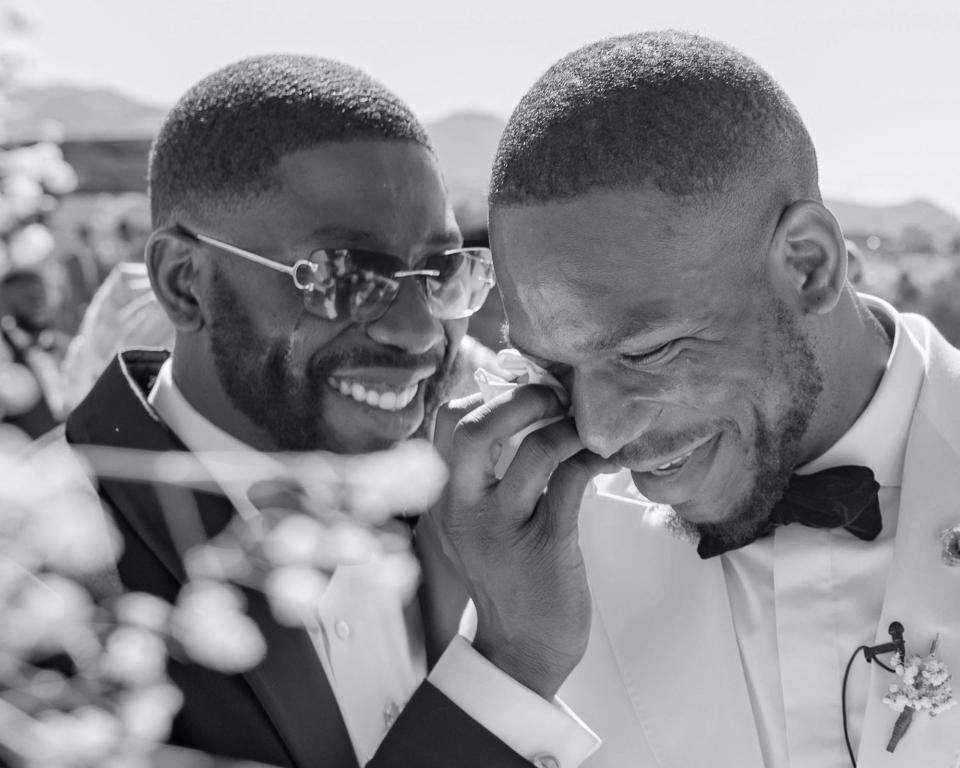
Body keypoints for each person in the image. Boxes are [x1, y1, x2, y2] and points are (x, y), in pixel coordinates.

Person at [434, 31, 960, 767]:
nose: (604, 434)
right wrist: (506, 663)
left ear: (808, 266)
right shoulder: (548, 569)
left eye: (644, 351)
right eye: (553, 368)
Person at [36, 55, 577, 768]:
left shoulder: (474, 523)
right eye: (347, 277)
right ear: (185, 282)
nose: (419, 333)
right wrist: (512, 671)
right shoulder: (43, 582)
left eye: (443, 275)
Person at [0, 268, 68, 437]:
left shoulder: (66, 345)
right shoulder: (4, 356)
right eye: (26, 299)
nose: (37, 304)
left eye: (41, 296)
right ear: (5, 305)